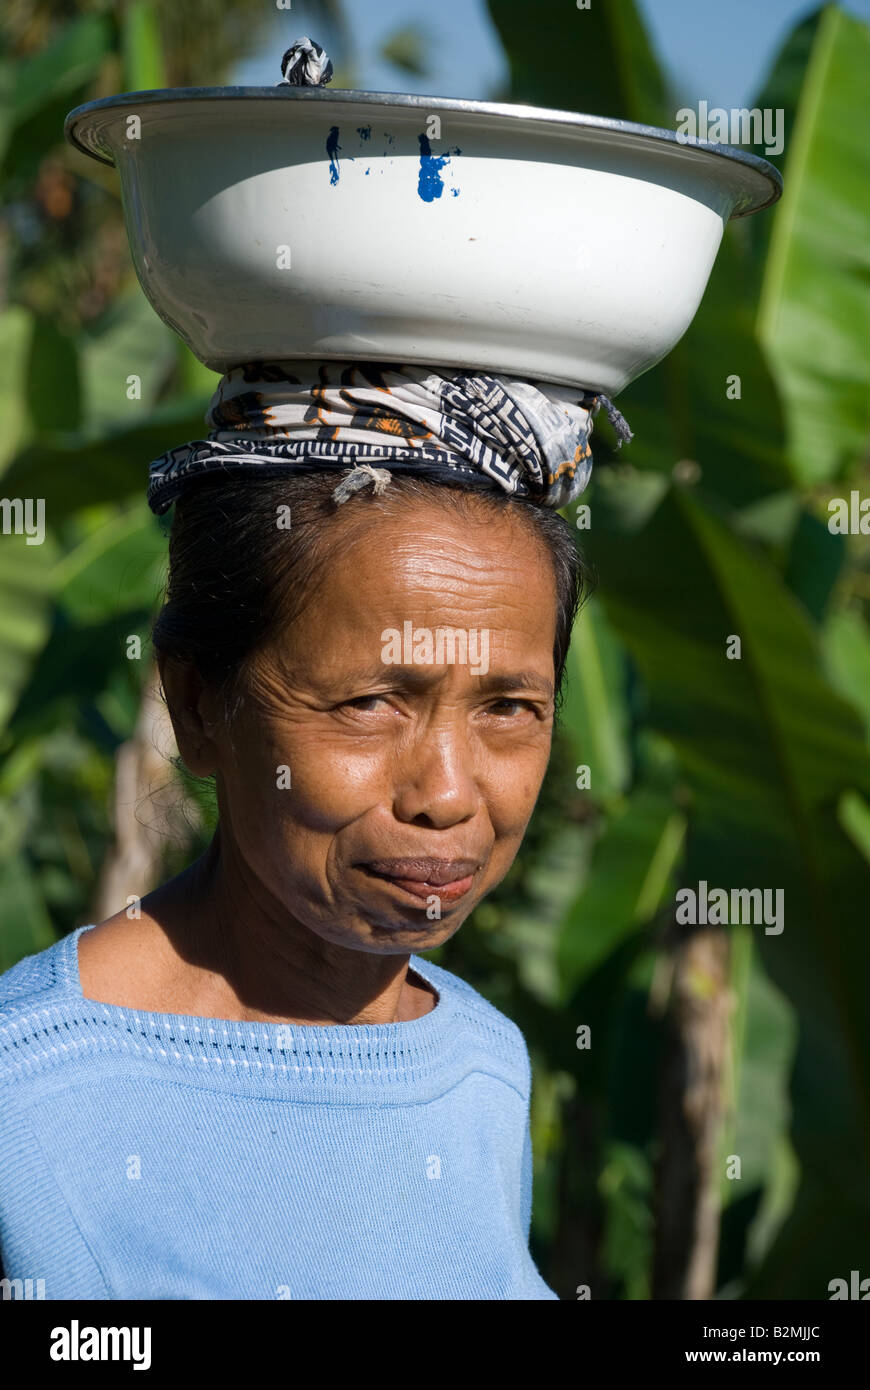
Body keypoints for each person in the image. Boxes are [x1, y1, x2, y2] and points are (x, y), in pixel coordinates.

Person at [0, 359, 629, 1299]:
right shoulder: (31, 1109)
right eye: (371, 702)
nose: (448, 796)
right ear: (199, 704)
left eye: (508, 707)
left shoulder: (480, 1065)